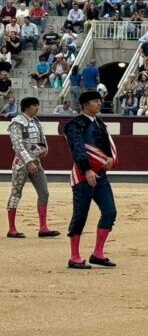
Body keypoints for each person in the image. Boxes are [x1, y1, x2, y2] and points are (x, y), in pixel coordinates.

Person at [64, 91, 118, 269]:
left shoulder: (100, 123)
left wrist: (109, 158)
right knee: (80, 214)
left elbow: (104, 146)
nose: (99, 104)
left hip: (100, 174)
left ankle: (98, 253)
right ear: (85, 104)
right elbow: (77, 148)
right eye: (95, 101)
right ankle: (74, 256)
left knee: (110, 212)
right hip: (83, 175)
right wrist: (86, 170)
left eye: (100, 101)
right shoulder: (75, 124)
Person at [8, 97, 58, 238]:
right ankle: (12, 229)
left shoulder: (36, 121)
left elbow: (42, 139)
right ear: (27, 107)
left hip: (36, 162)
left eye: (37, 105)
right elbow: (17, 145)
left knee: (44, 193)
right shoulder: (17, 122)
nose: (37, 108)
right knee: (16, 193)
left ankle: (43, 228)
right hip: (21, 164)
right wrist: (29, 161)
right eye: (35, 105)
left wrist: (45, 148)